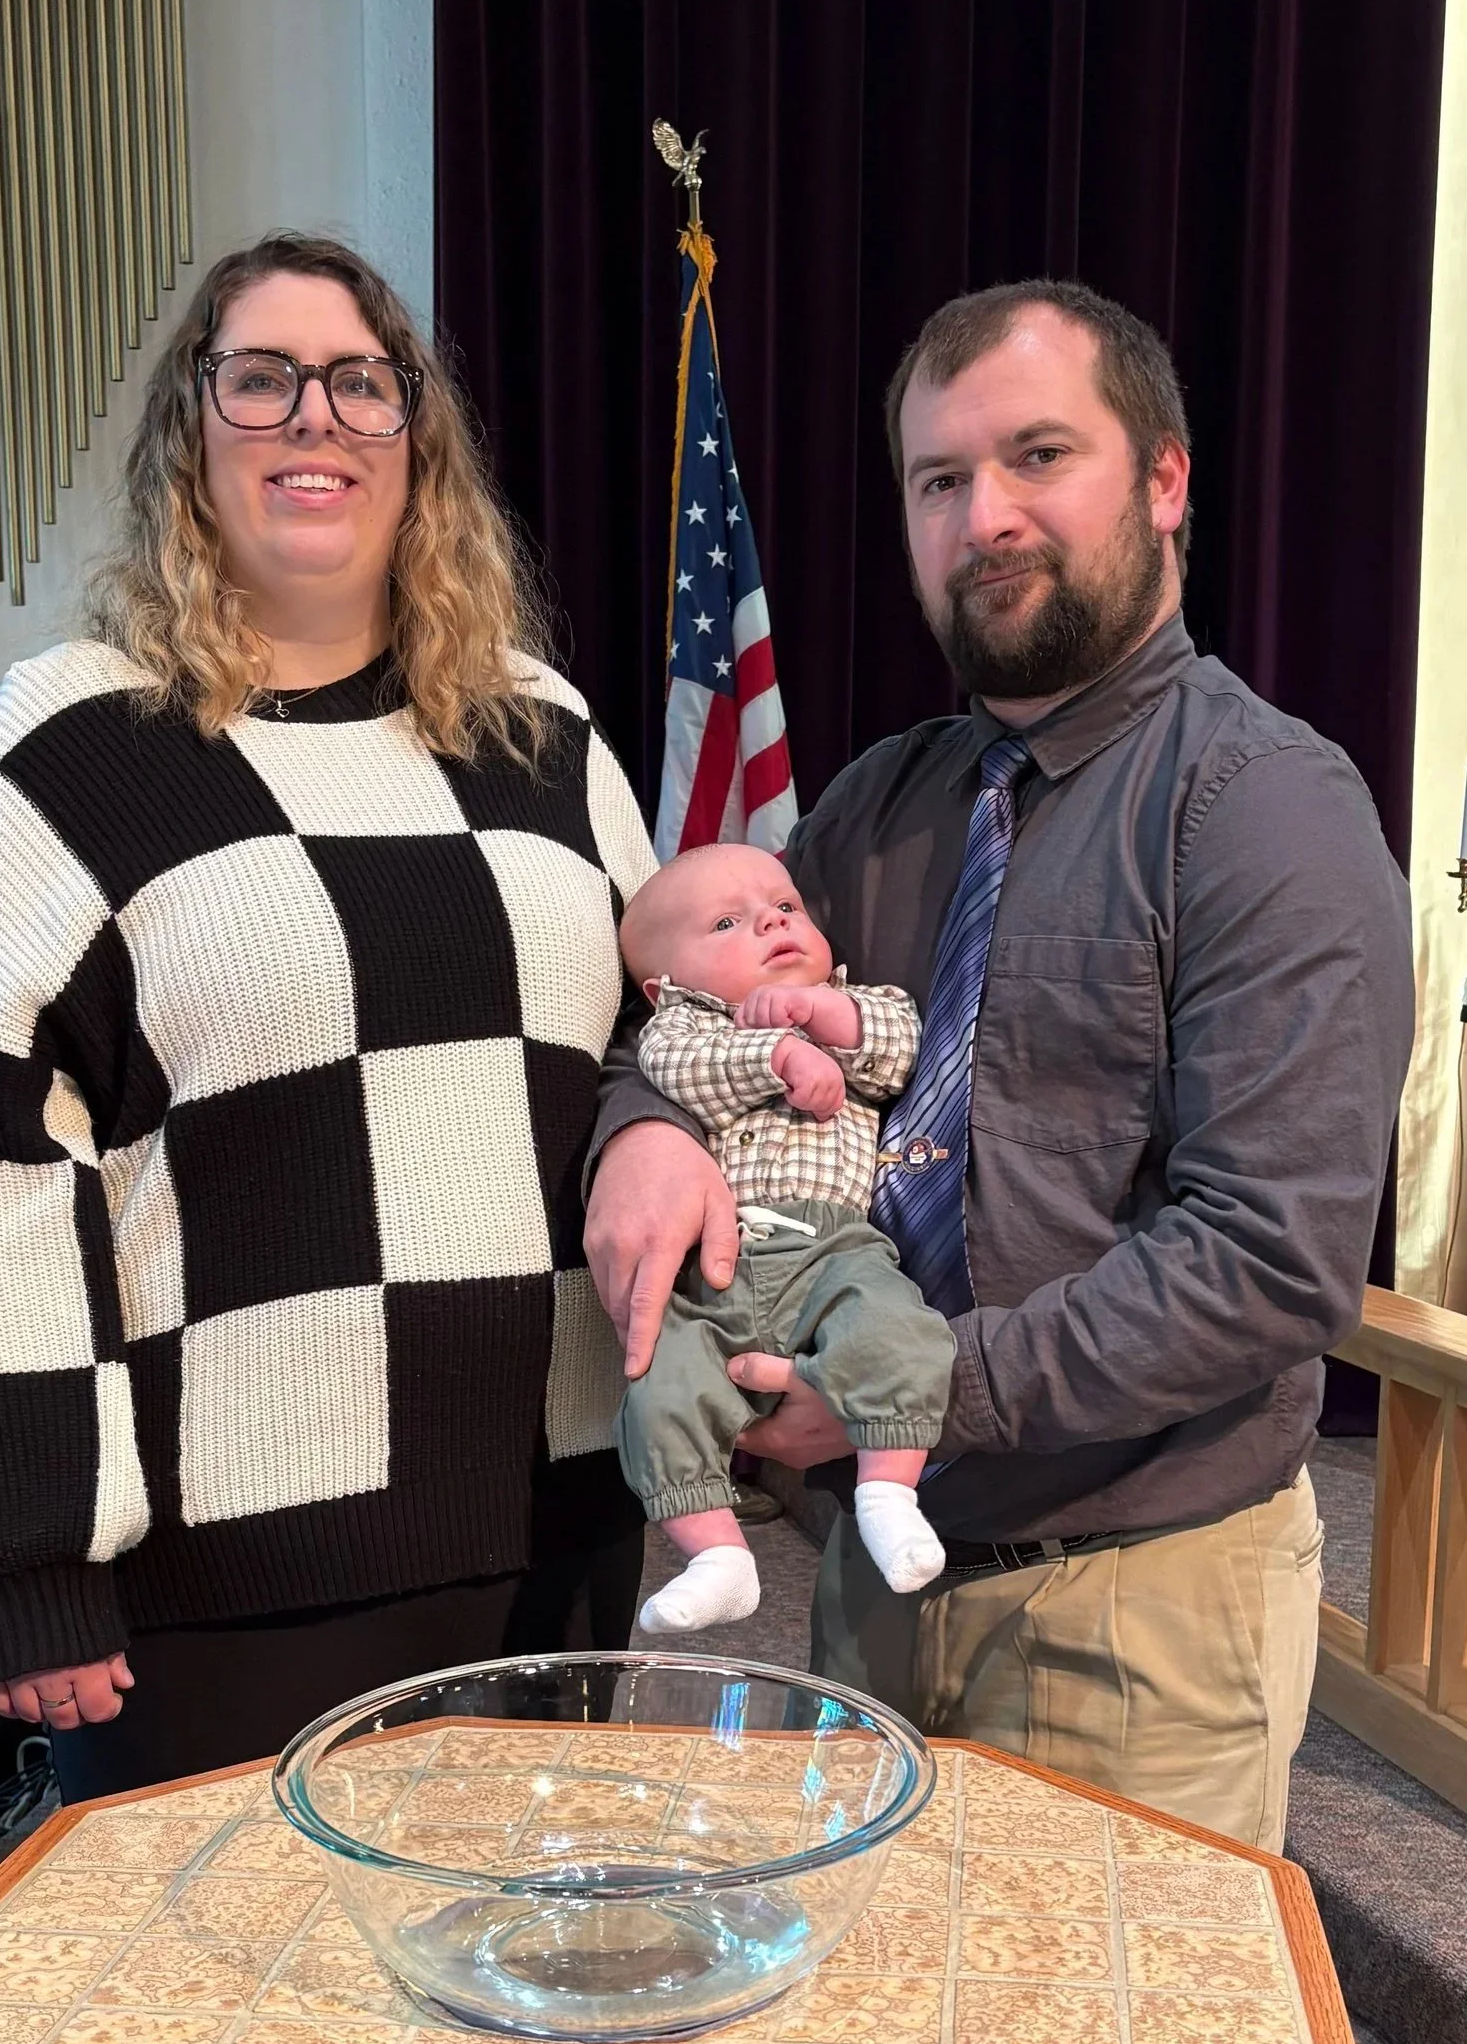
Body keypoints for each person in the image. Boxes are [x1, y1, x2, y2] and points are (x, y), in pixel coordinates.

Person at [587, 280, 1413, 1851]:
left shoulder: (1264, 810)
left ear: (1165, 481)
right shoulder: (881, 804)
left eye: (1041, 457)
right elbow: (694, 1011)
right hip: (878, 1589)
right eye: (941, 480)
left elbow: (1272, 1261)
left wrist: (911, 1394)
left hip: (1134, 1602)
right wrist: (640, 1128)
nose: (989, 518)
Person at [0, 232, 653, 1797]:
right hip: (225, 1579)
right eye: (263, 380)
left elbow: (658, 1055)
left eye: (361, 385)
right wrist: (29, 1560)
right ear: (191, 434)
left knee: (522, 2000)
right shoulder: (71, 750)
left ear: (416, 446)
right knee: (235, 2023)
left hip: (555, 1513)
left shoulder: (544, 734)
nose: (316, 418)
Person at [612, 843, 951, 1634]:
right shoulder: (682, 1027)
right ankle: (716, 1553)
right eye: (728, 922)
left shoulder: (860, 1003)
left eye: (785, 908)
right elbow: (686, 1068)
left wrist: (827, 1019)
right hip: (715, 1270)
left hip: (838, 1250)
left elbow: (904, 1048)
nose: (771, 921)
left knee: (899, 1335)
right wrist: (779, 1051)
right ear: (668, 986)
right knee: (658, 1388)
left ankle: (888, 1494)